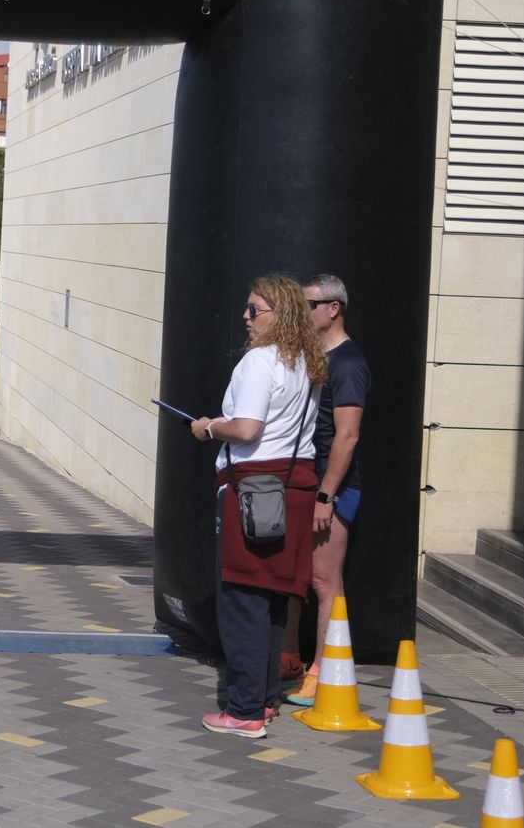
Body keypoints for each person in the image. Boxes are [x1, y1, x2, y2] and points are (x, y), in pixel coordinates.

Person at [190, 274, 324, 738]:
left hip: (252, 491)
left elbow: (247, 429)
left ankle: (244, 711)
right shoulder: (308, 362)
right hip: (295, 489)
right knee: (270, 602)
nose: (245, 318)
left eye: (254, 310)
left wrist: (209, 427)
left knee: (243, 600)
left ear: (278, 314)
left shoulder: (259, 363)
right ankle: (263, 700)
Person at [284, 274, 369, 706]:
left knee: (323, 581)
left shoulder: (349, 363)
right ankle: (291, 659)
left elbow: (347, 436)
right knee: (296, 577)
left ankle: (323, 671)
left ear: (333, 308)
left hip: (330, 489)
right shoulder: (312, 357)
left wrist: (326, 495)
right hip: (303, 479)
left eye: (309, 305)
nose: (302, 313)